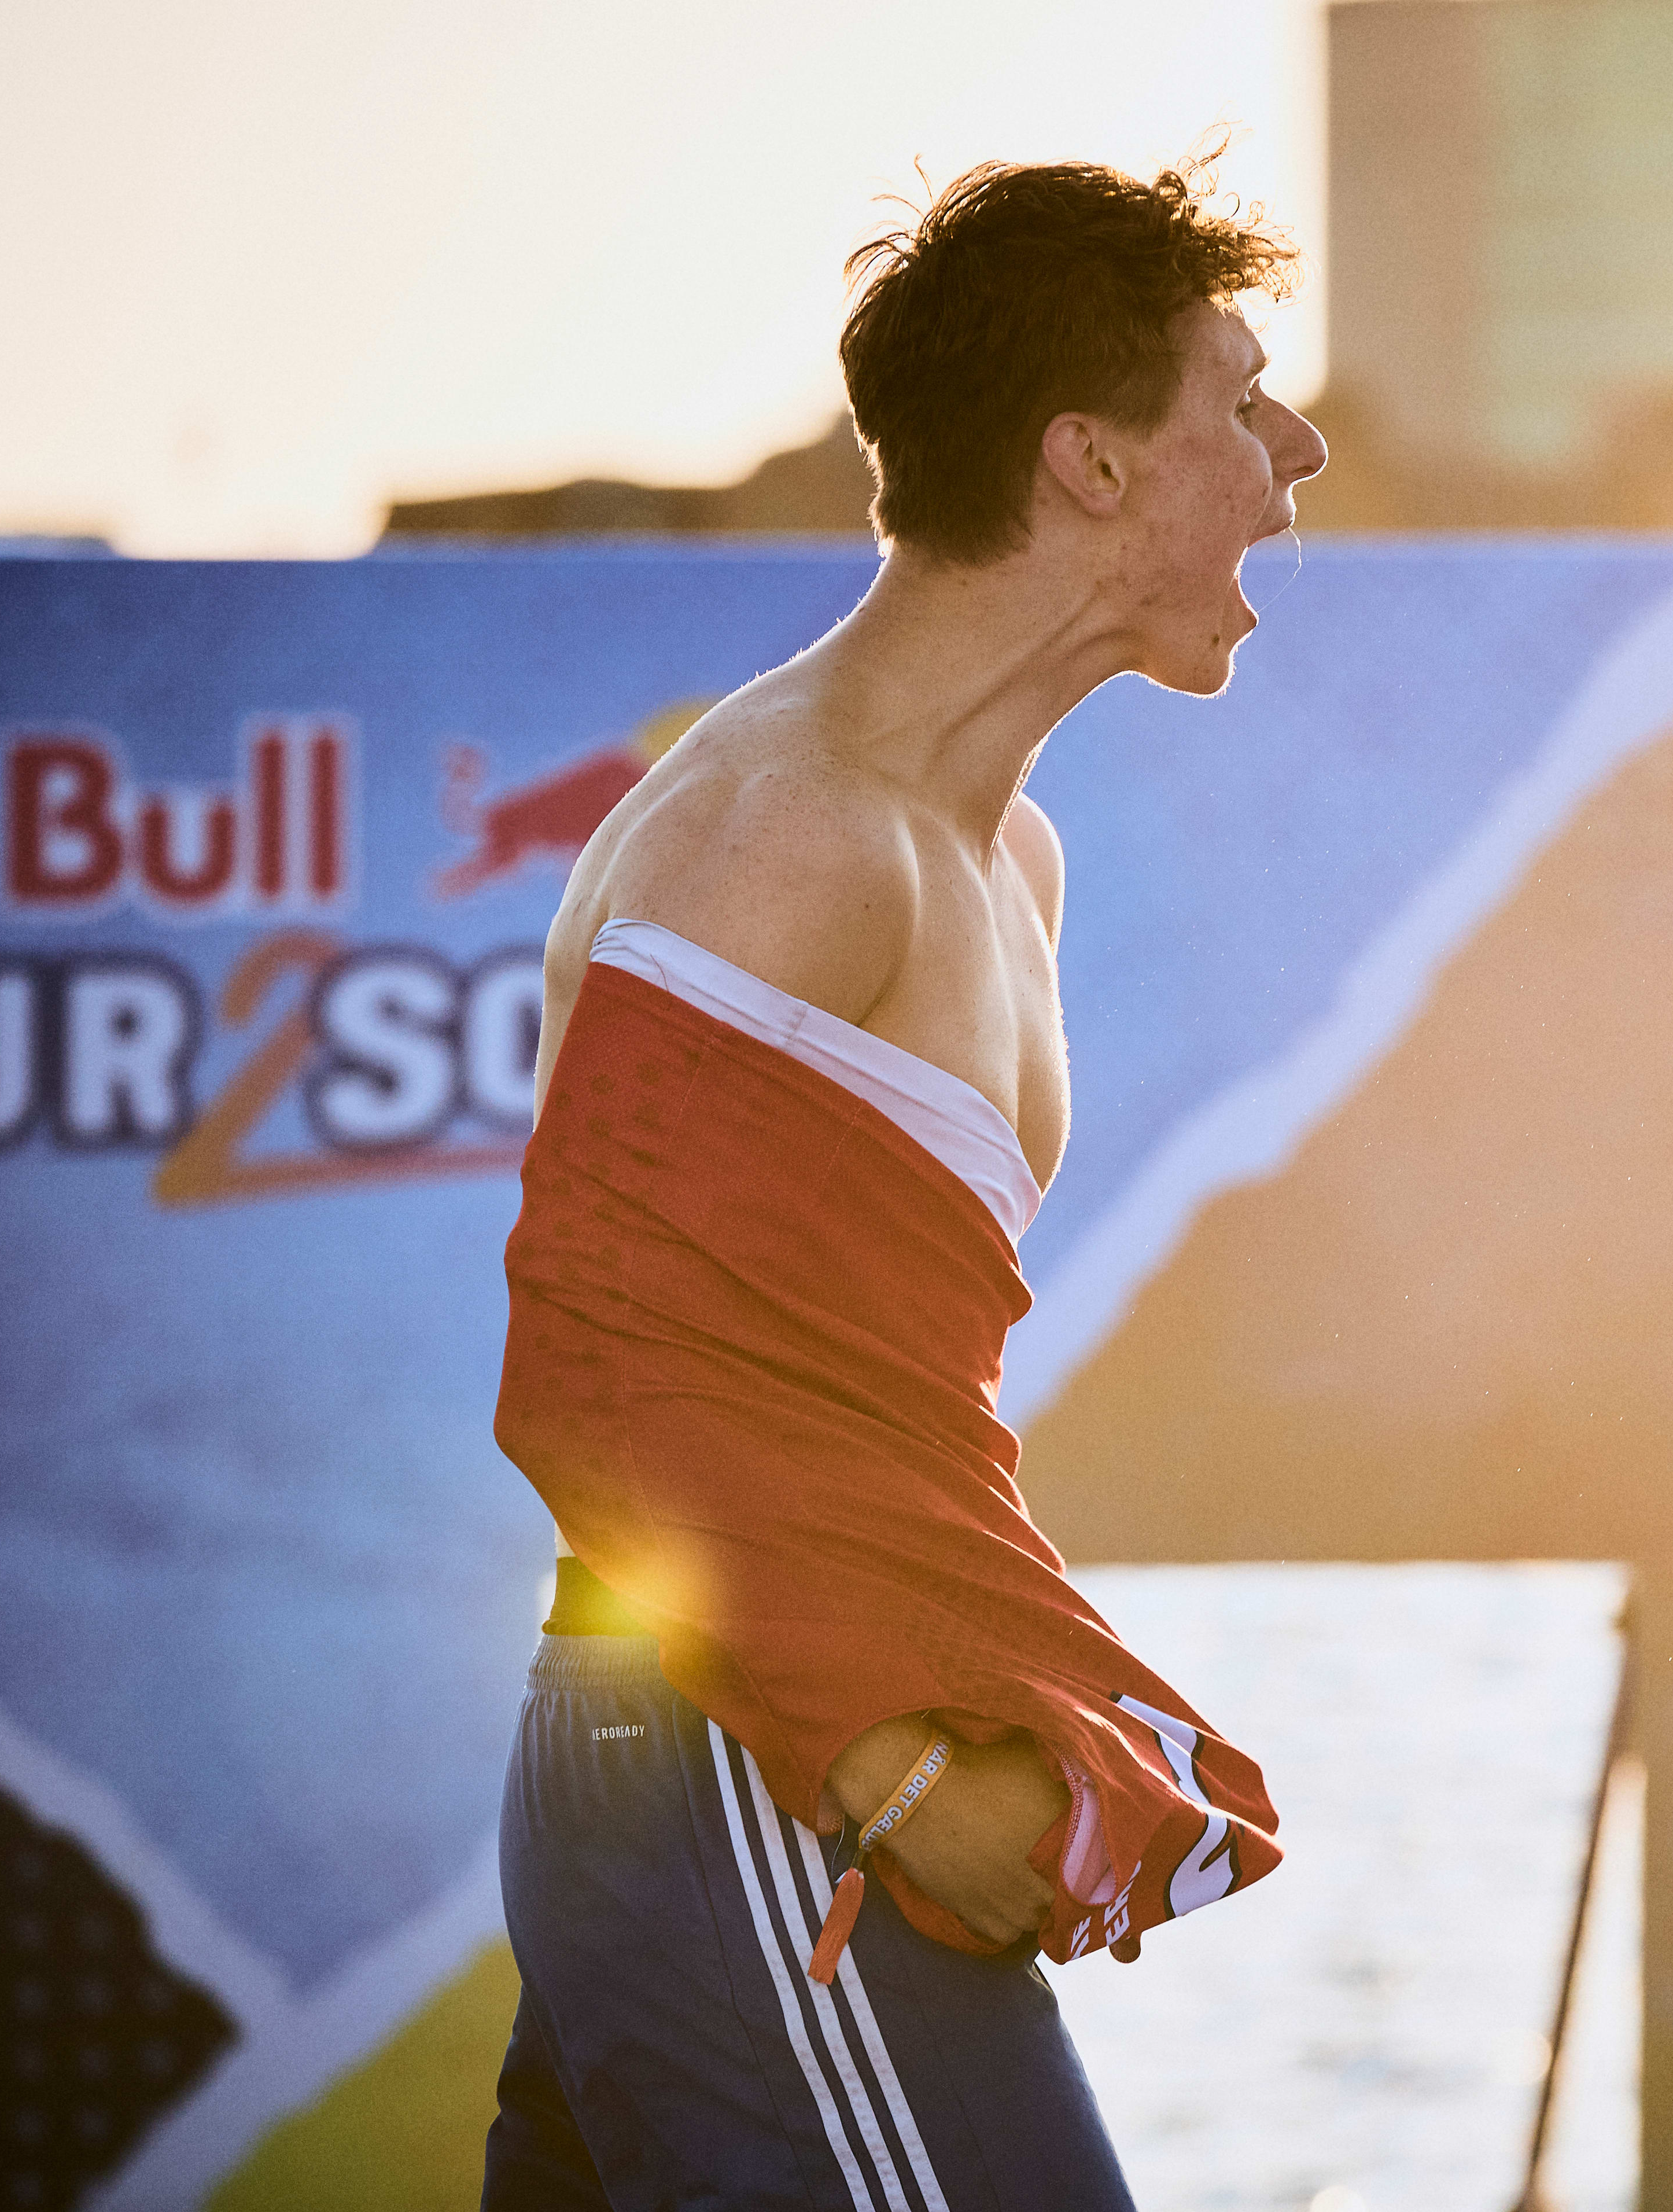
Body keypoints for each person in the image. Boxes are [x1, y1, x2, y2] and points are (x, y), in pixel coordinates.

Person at [484, 156, 1326, 2210]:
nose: (1297, 456)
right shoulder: (784, 832)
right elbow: (590, 1382)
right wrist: (891, 1763)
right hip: (763, 1759)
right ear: (1092, 463)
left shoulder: (1003, 855)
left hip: (732, 1752)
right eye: (1242, 402)